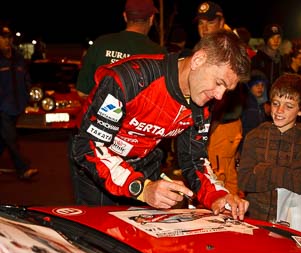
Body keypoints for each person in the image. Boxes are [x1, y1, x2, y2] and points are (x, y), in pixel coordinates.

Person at [69, 30, 250, 220]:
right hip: (97, 162)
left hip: (144, 161)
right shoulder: (129, 79)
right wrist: (142, 188)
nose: (219, 95)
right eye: (219, 82)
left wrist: (218, 196)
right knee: (101, 233)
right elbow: (88, 147)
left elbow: (194, 158)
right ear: (198, 60)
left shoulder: (203, 99)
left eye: (226, 90)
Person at [238, 73, 301, 222]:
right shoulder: (254, 136)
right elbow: (244, 180)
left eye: (289, 106)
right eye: (276, 103)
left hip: (291, 220)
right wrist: (286, 176)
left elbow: (300, 184)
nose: (279, 111)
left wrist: (263, 169)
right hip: (256, 217)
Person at [195, 1, 243, 196]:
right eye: (201, 23)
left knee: (217, 178)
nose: (205, 27)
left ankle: (226, 220)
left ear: (221, 21)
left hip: (221, 124)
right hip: (218, 124)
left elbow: (224, 95)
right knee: (224, 175)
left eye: (210, 22)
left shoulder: (227, 47)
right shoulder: (209, 46)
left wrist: (208, 126)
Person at [76, 0, 166, 97]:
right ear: (151, 18)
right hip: (141, 111)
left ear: (125, 16)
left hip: (100, 110)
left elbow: (82, 92)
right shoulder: (159, 54)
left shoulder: (101, 43)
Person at [0, 21, 38, 180]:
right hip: (2, 107)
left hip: (16, 106)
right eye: (3, 37)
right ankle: (23, 170)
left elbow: (25, 78)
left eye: (8, 37)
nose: (7, 40)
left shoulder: (18, 57)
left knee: (3, 139)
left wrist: (28, 94)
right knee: (11, 138)